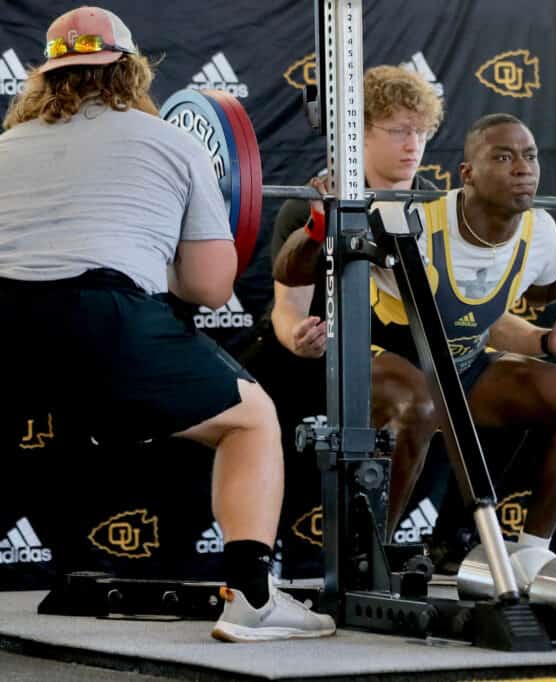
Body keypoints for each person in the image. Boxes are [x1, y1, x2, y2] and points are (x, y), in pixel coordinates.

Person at [0, 7, 334, 642]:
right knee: (251, 418)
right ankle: (254, 600)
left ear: (44, 77)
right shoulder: (172, 142)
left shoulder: (4, 145)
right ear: (130, 70)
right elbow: (210, 287)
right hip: (104, 315)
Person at [258, 68, 556, 545]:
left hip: (439, 359)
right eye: (398, 130)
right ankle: (367, 558)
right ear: (359, 133)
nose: (412, 143)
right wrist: (297, 336)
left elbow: (477, 315)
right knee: (415, 398)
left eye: (420, 131)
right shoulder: (314, 205)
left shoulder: (442, 209)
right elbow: (285, 306)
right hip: (347, 357)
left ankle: (500, 548)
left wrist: (544, 340)